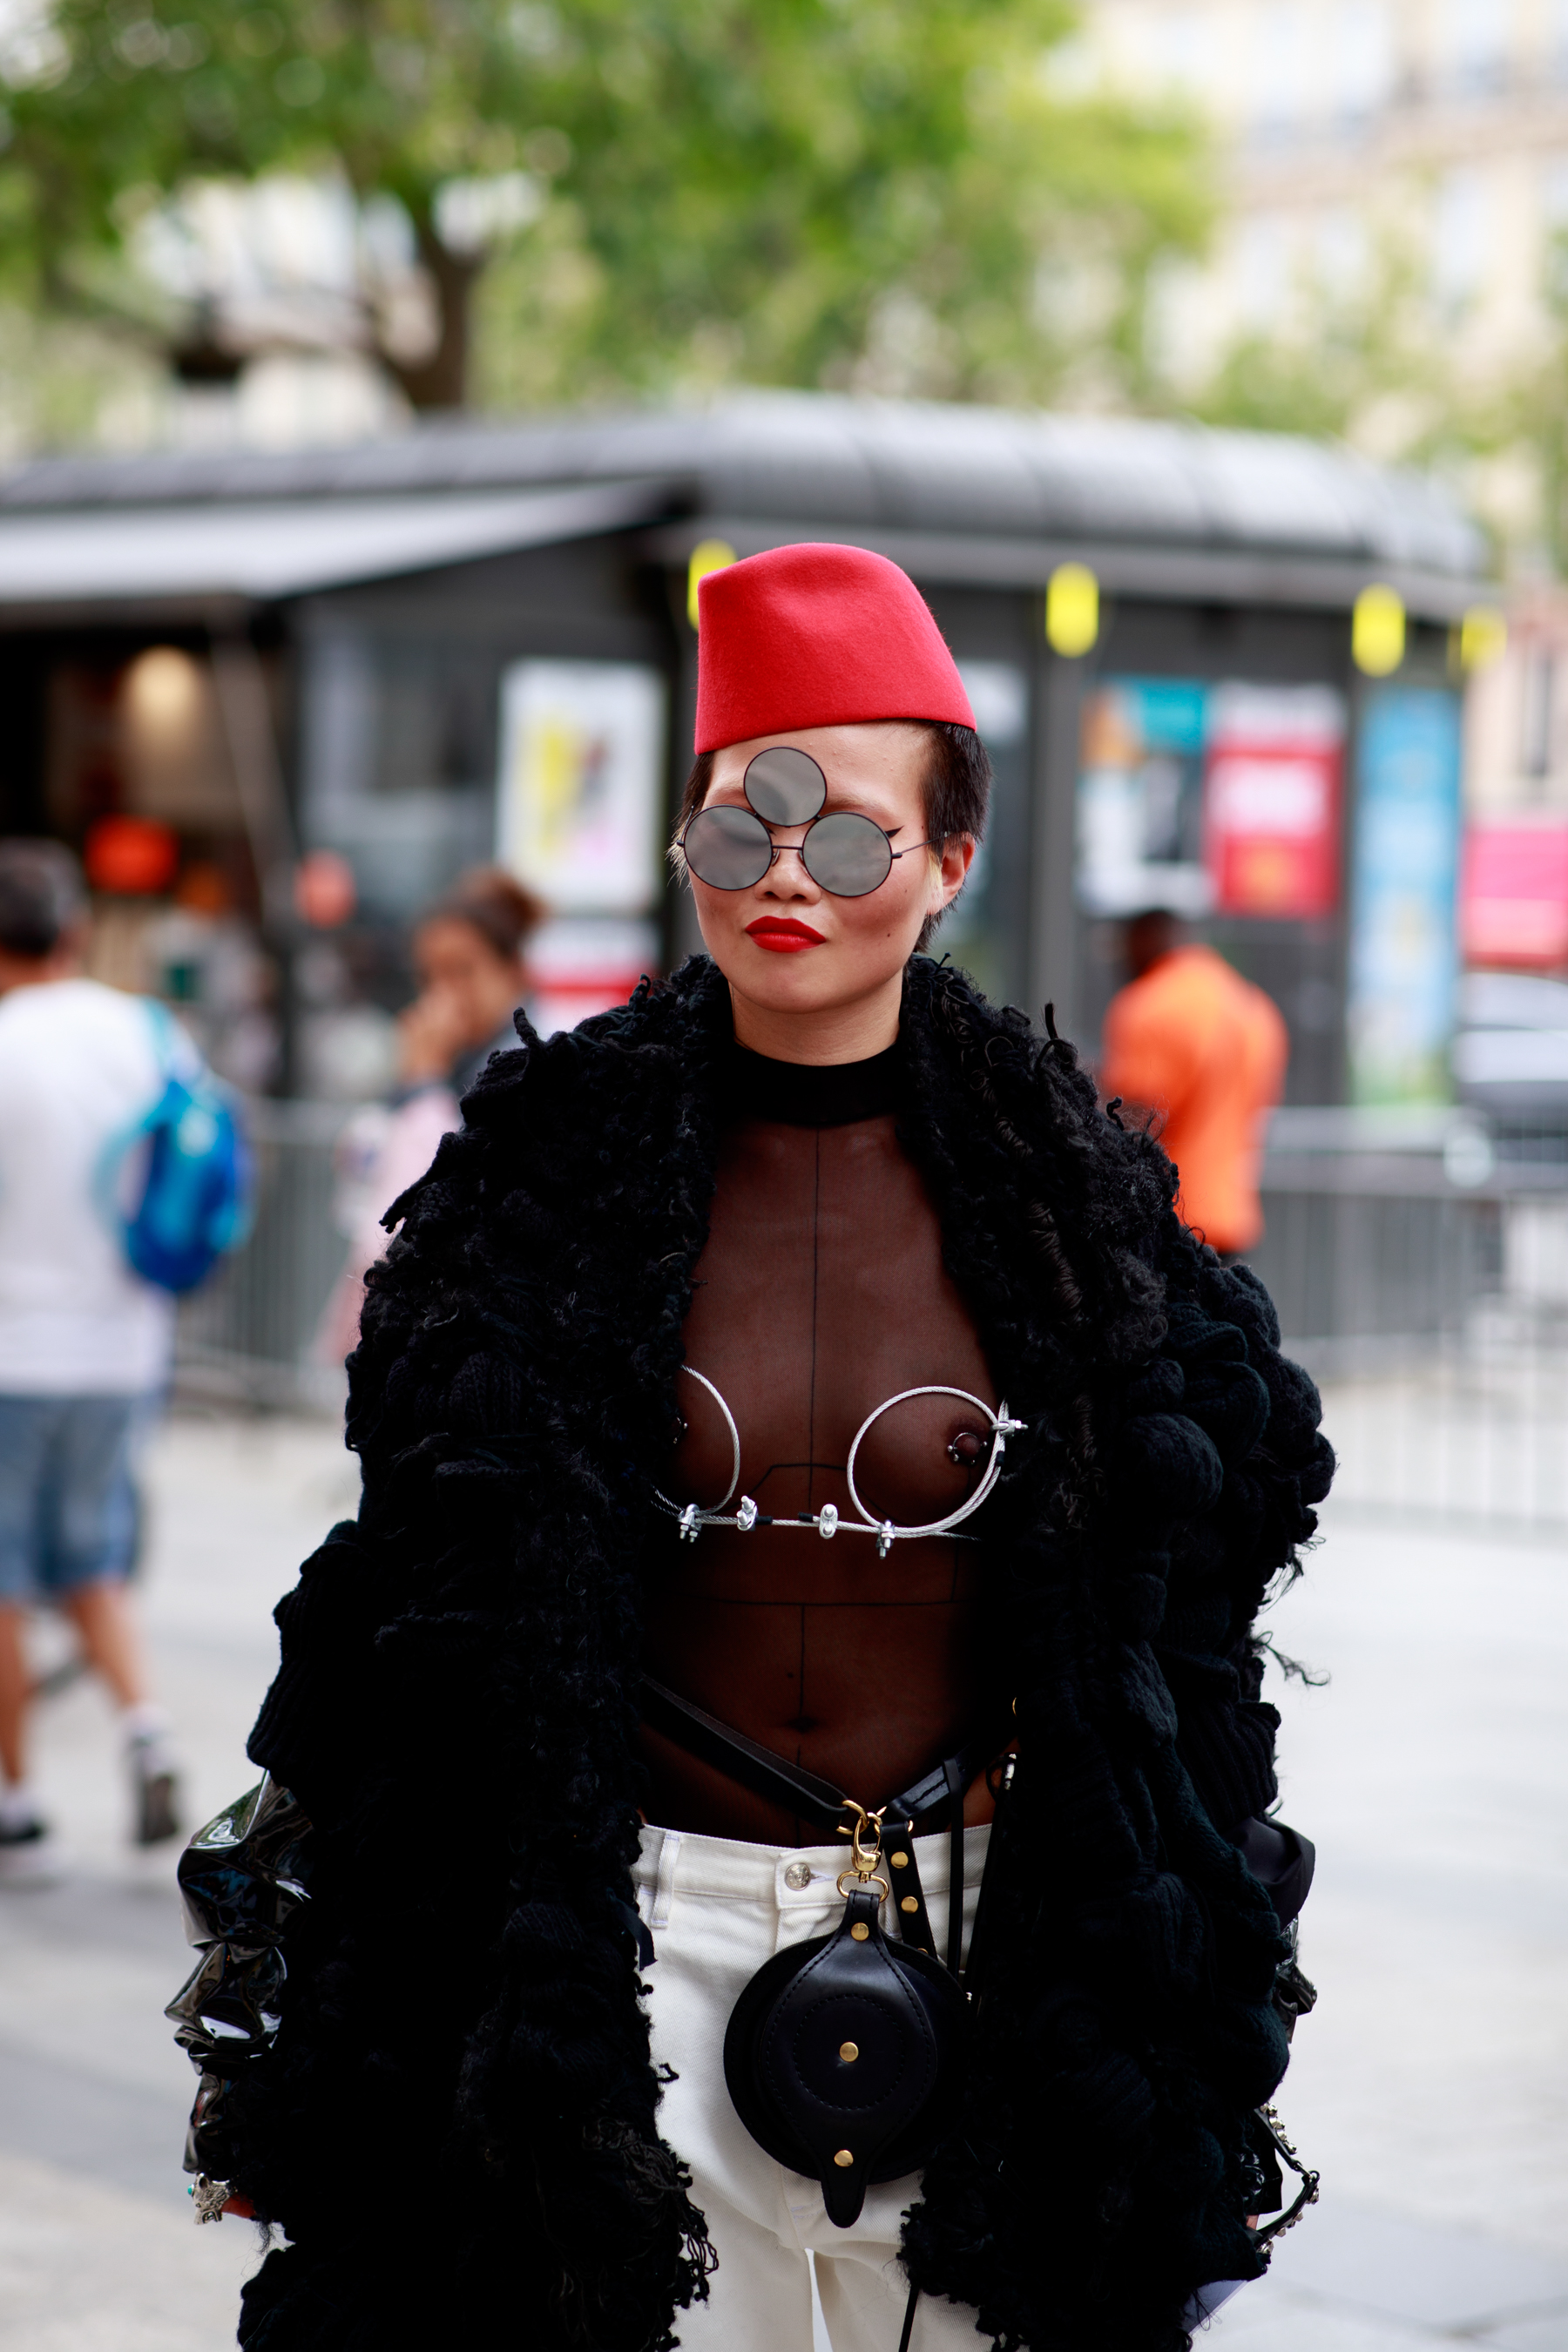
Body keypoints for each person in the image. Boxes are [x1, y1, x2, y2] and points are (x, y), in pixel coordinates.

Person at [169, 546, 1332, 2352]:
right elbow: (416, 1611)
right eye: (739, 825)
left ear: (950, 860)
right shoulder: (532, 1188)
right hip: (607, 1938)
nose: (787, 873)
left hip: (980, 1943)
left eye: (849, 833)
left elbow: (1179, 1612)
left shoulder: (1078, 1207)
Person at [0, 841, 184, 1881]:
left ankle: (18, 1809)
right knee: (96, 1561)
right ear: (72, 933)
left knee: (6, 1586)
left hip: (14, 1354)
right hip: (123, 1349)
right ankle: (146, 1730)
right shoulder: (144, 1033)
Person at [314, 868, 545, 1370]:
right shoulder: (452, 1062)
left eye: (462, 971)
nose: (443, 996)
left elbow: (449, 1191)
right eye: (429, 976)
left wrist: (421, 1080)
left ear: (512, 972)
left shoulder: (532, 1067)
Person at [1099, 909, 1288, 1260]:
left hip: (1167, 1224)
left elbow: (1130, 1121)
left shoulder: (1150, 1005)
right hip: (1233, 1217)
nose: (1121, 961)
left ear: (1145, 939)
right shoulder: (1253, 1005)